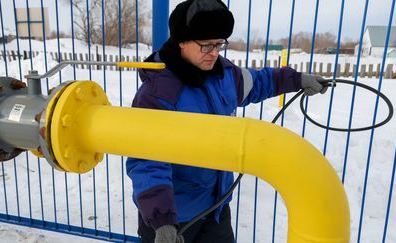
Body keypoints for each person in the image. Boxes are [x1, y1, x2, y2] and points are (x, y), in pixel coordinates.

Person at [126, 0, 328, 242]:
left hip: (216, 209)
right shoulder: (158, 93)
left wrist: (297, 80)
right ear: (181, 41)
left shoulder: (224, 74)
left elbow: (260, 82)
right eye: (206, 45)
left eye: (219, 43)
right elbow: (147, 160)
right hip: (172, 218)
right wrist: (162, 221)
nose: (214, 52)